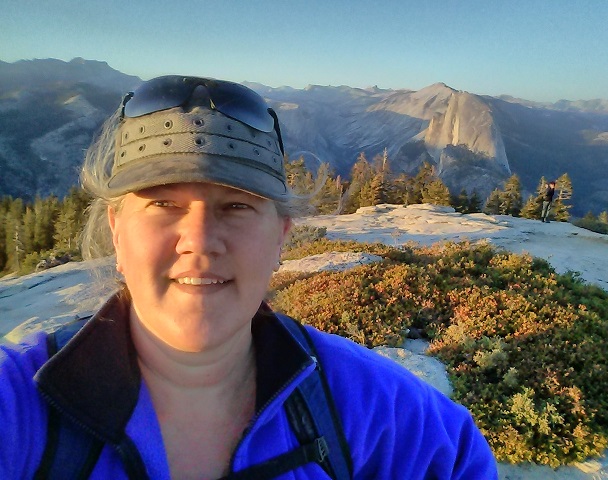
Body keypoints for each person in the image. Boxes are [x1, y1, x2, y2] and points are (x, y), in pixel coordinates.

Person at [0, 75, 498, 479]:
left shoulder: (379, 415)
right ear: (116, 231)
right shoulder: (19, 405)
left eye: (236, 206)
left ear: (281, 236)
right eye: (163, 204)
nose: (200, 239)